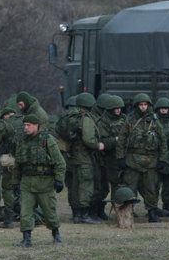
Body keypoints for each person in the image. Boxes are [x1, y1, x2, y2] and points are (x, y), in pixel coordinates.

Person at [15, 114, 66, 247]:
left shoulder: (47, 139)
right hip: (27, 182)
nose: (26, 127)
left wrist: (59, 179)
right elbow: (18, 164)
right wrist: (15, 181)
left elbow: (60, 162)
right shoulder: (22, 140)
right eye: (24, 125)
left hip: (44, 182)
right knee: (25, 213)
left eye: (29, 125)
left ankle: (56, 235)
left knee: (49, 212)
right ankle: (26, 239)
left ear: (37, 125)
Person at [117, 93, 167, 223]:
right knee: (129, 187)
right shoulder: (130, 120)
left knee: (151, 188)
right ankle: (127, 211)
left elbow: (163, 141)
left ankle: (152, 212)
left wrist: (162, 159)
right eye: (141, 104)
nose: (143, 107)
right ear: (136, 106)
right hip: (132, 159)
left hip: (151, 160)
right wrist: (120, 158)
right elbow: (122, 139)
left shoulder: (155, 121)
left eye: (145, 104)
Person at [67, 92, 104, 224]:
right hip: (84, 157)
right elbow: (88, 139)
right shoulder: (86, 118)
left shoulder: (72, 116)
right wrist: (97, 145)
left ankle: (77, 215)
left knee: (75, 186)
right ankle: (84, 215)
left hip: (73, 157)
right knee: (86, 185)